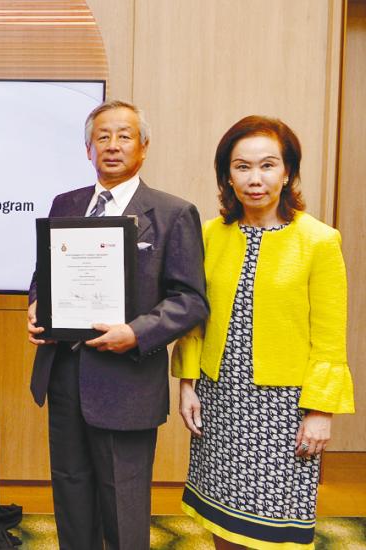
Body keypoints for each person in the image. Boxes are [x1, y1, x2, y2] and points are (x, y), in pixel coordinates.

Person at [26, 99, 209, 548]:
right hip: (65, 375)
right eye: (102, 137)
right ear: (88, 149)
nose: (112, 146)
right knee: (71, 492)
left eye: (124, 136)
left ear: (143, 147)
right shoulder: (65, 203)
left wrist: (137, 332)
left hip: (126, 382)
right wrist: (36, 306)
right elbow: (42, 275)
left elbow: (190, 300)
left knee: (123, 502)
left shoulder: (171, 213)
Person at [171, 116, 355, 549]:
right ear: (227, 175)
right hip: (220, 398)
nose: (255, 179)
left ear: (288, 171)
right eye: (242, 167)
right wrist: (187, 383)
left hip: (284, 406)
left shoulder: (319, 241)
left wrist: (320, 411)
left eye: (268, 165)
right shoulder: (210, 236)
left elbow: (330, 336)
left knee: (274, 529)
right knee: (222, 518)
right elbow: (196, 318)